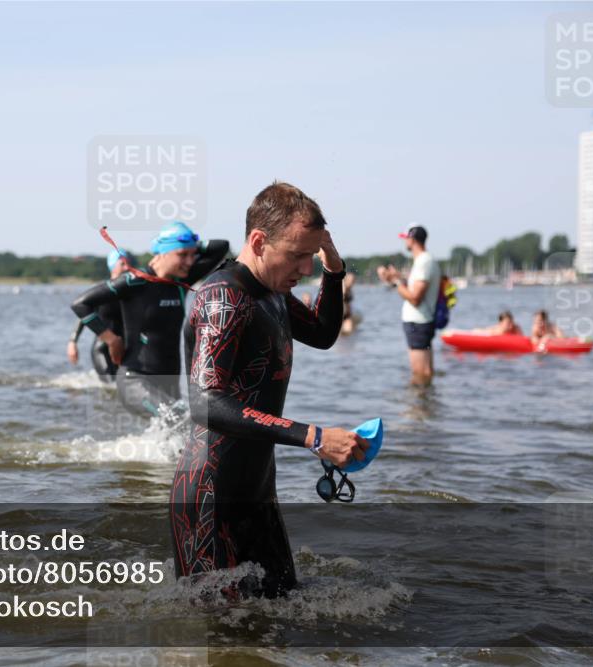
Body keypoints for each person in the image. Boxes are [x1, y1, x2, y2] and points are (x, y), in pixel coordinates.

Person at [170, 182, 369, 599]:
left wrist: (334, 272)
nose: (305, 268)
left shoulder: (272, 293)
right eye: (297, 255)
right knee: (219, 636)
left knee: (280, 616)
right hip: (211, 496)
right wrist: (313, 437)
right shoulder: (223, 296)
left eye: (310, 255)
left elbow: (323, 332)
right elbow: (205, 404)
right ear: (259, 242)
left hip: (258, 488)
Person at [70, 222, 230, 417]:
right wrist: (111, 339)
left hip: (168, 380)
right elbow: (80, 304)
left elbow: (221, 246)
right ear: (162, 252)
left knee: (178, 438)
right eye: (182, 255)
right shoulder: (135, 281)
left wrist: (190, 244)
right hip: (134, 380)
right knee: (179, 421)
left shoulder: (180, 281)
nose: (190, 261)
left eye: (192, 254)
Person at [376, 225, 441, 385]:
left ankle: (418, 408)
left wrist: (397, 282)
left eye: (406, 238)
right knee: (425, 372)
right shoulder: (424, 260)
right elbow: (413, 291)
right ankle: (425, 405)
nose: (404, 241)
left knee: (420, 374)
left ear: (412, 239)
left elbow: (415, 298)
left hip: (418, 323)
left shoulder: (424, 261)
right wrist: (394, 279)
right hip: (421, 323)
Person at [66, 250, 134, 382]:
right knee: (111, 385)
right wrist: (72, 342)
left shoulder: (132, 292)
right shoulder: (102, 291)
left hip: (125, 348)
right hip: (102, 349)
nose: (127, 268)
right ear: (112, 266)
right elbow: (82, 316)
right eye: (122, 264)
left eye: (128, 264)